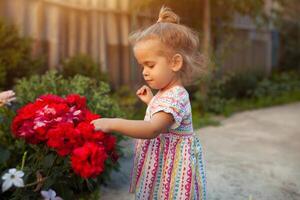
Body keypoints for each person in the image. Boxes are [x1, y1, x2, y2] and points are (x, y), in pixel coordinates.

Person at [91, 6, 207, 200]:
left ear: (175, 63)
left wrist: (112, 123)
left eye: (150, 65)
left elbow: (153, 129)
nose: (144, 72)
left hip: (172, 167)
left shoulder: (177, 95)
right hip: (162, 162)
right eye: (142, 65)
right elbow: (166, 118)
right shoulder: (165, 92)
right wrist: (152, 101)